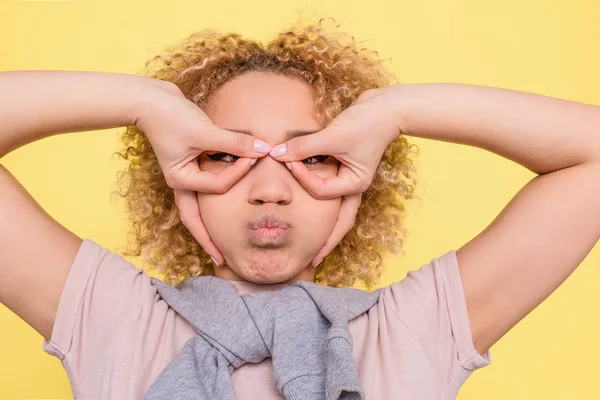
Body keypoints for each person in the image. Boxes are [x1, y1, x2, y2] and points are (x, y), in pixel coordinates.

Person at [1, 20, 599, 399]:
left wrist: (392, 111)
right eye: (224, 154)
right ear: (177, 181)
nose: (270, 188)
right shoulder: (115, 318)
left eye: (312, 158)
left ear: (358, 182)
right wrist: (142, 101)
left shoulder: (414, 329)